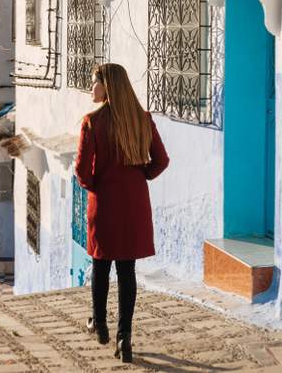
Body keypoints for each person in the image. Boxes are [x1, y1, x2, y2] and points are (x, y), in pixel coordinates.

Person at [74, 63, 169, 364]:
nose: (92, 88)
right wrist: (142, 176)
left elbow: (81, 170)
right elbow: (162, 160)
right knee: (127, 271)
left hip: (105, 203)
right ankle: (124, 338)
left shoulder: (92, 122)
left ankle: (99, 323)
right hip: (134, 203)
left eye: (94, 83)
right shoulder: (142, 119)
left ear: (107, 86)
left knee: (101, 263)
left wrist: (95, 185)